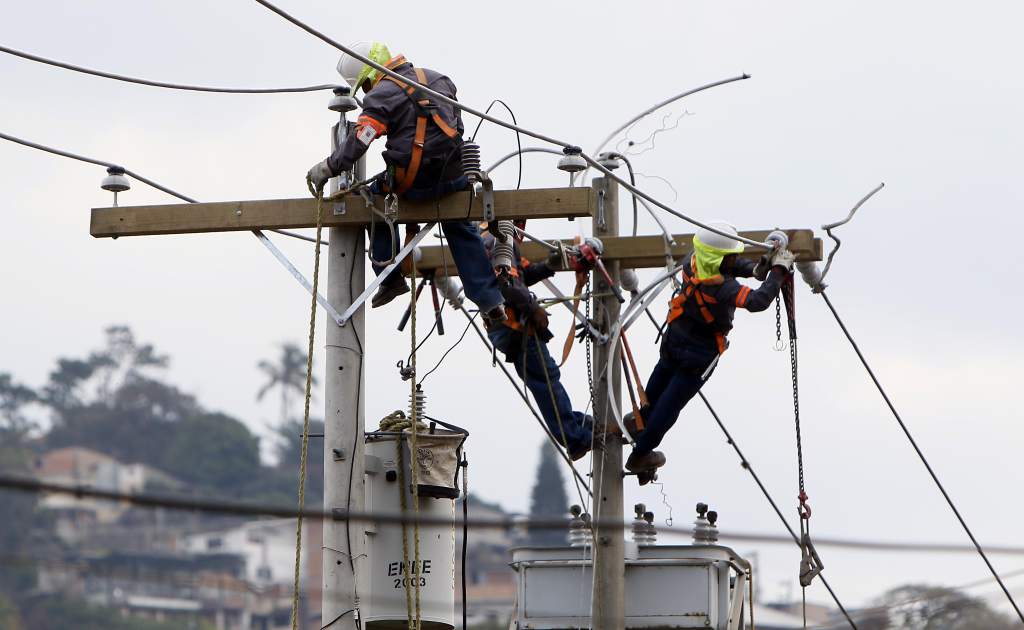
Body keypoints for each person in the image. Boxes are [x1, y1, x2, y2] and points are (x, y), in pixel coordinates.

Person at [306, 41, 505, 321]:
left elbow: (360, 139)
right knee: (460, 225)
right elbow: (456, 126)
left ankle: (389, 278)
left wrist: (328, 167)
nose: (366, 92)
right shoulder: (439, 79)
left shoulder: (382, 96)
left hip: (414, 182)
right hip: (453, 179)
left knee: (374, 203)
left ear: (372, 74)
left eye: (364, 85)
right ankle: (489, 299)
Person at [625, 222, 795, 473]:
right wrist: (778, 272)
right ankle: (640, 455)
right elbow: (757, 301)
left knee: (658, 386)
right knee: (670, 406)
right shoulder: (723, 288)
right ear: (720, 258)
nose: (736, 258)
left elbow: (730, 265)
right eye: (732, 255)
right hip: (699, 353)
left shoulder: (691, 261)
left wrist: (758, 269)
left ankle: (640, 421)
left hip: (675, 338)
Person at [481, 221, 594, 461]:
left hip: (509, 329)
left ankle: (578, 426)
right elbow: (507, 283)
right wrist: (534, 309)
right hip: (514, 327)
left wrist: (549, 266)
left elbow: (520, 275)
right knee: (546, 380)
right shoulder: (496, 240)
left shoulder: (497, 242)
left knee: (543, 381)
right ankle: (574, 437)